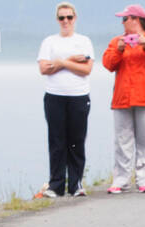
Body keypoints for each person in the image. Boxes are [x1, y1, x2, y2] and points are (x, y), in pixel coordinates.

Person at [102, 4, 145, 194]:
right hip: (122, 98)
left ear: (136, 20)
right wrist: (119, 49)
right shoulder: (117, 41)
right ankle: (121, 179)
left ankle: (144, 179)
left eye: (125, 19)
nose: (123, 23)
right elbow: (108, 64)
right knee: (122, 141)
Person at [37, 4, 94, 198]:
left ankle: (76, 184)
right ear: (57, 20)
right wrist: (70, 61)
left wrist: (61, 62)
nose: (66, 21)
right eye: (62, 18)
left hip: (78, 96)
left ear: (75, 18)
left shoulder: (84, 41)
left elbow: (86, 69)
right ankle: (56, 184)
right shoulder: (49, 42)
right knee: (57, 141)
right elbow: (44, 68)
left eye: (69, 17)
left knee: (76, 141)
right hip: (54, 96)